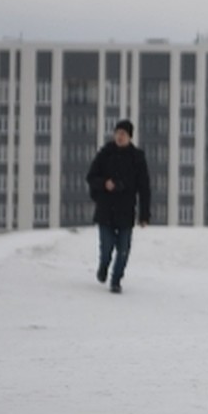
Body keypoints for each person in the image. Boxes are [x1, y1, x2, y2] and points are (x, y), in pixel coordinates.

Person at [86, 119, 151, 294]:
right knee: (106, 247)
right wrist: (104, 184)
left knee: (123, 250)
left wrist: (145, 215)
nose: (120, 137)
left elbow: (144, 188)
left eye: (123, 134)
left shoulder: (137, 157)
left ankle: (116, 280)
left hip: (126, 211)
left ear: (130, 137)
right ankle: (103, 266)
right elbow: (91, 177)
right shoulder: (105, 153)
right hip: (105, 210)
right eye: (118, 133)